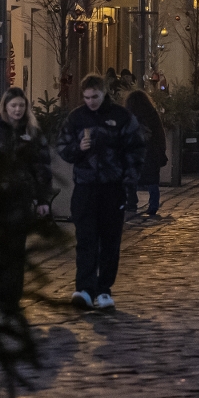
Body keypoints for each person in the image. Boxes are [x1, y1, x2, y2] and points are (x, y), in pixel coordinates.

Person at [56, 74, 146, 311]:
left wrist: (128, 181)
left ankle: (104, 289)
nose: (90, 101)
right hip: (85, 188)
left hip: (111, 188)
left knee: (109, 241)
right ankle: (84, 288)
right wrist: (78, 148)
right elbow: (63, 148)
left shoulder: (121, 116)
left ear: (104, 93)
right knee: (85, 239)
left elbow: (136, 150)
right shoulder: (77, 117)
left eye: (94, 96)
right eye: (86, 97)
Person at [0, 87, 53, 308]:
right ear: (5, 107)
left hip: (20, 199)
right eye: (13, 105)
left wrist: (43, 199)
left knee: (16, 249)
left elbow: (42, 167)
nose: (17, 109)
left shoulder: (32, 133)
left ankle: (12, 297)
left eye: (21, 106)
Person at [124, 89, 168, 219]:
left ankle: (132, 203)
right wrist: (161, 151)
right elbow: (160, 134)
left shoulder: (129, 116)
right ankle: (153, 205)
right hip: (151, 153)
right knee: (153, 181)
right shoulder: (152, 114)